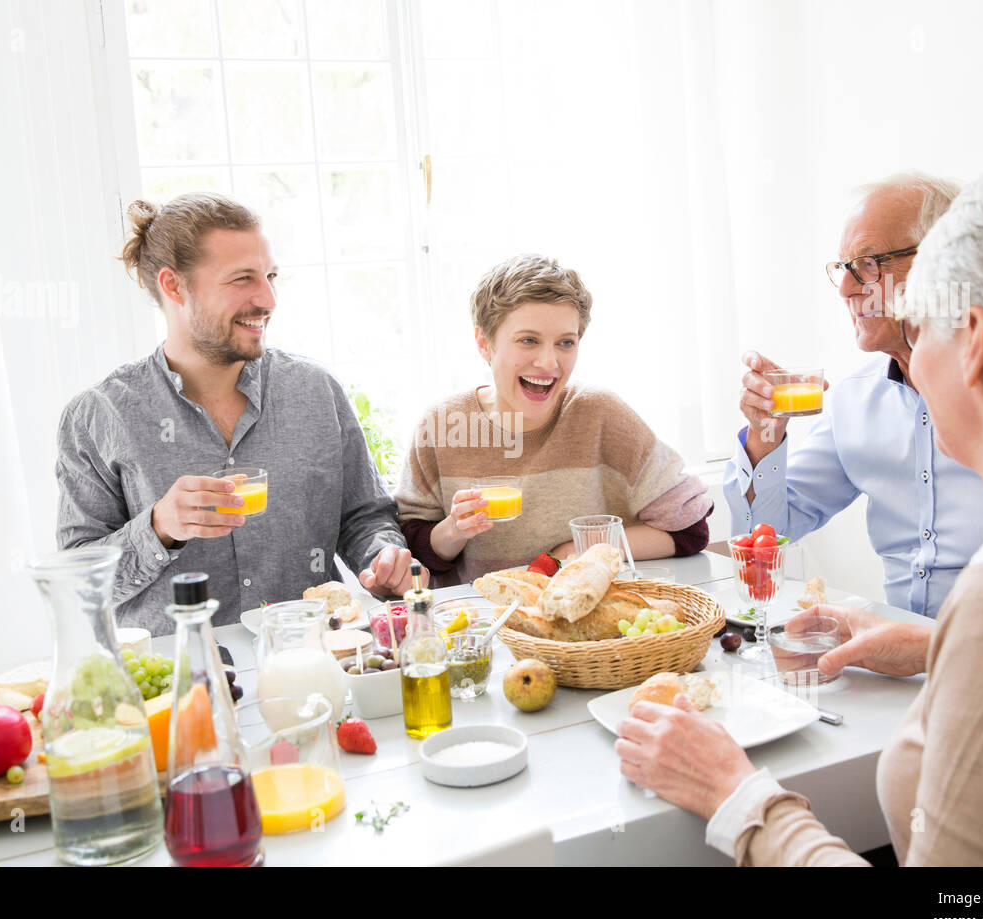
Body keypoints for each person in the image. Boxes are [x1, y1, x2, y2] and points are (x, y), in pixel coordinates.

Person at [618, 142, 983, 865]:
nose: (910, 355)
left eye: (923, 323)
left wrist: (740, 798)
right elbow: (769, 526)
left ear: (973, 339)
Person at [56, 193, 412, 636]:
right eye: (242, 279)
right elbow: (77, 585)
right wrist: (159, 526)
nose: (268, 298)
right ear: (173, 286)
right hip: (180, 684)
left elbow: (364, 516)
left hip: (311, 661)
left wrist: (383, 556)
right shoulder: (100, 415)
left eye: (270, 276)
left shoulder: (315, 391)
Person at [722, 174, 983, 617]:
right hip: (900, 663)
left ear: (947, 261)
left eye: (869, 264)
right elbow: (767, 532)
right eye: (843, 268)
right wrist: (764, 438)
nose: (847, 289)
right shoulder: (855, 399)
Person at [396, 254, 712, 585]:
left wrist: (575, 549)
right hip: (485, 626)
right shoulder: (442, 425)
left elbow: (690, 529)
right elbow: (411, 546)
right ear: (484, 344)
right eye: (528, 340)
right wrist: (454, 529)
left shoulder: (601, 413)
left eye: (565, 343)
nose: (549, 363)